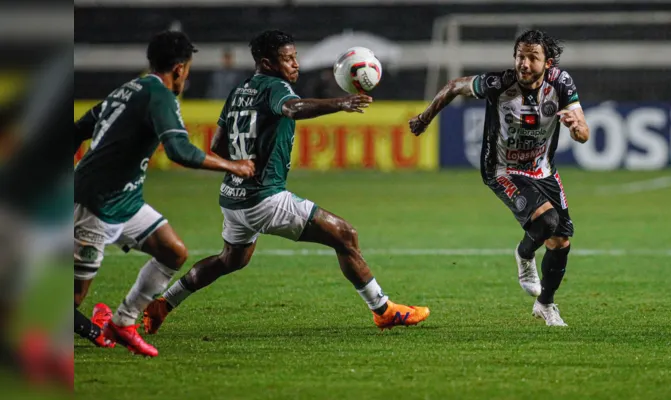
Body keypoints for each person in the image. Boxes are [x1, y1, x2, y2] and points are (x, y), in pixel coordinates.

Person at [143, 30, 430, 334]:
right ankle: (383, 310)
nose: (296, 64)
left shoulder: (240, 91)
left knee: (230, 260)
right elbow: (292, 108)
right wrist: (340, 104)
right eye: (288, 58)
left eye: (295, 57)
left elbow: (218, 144)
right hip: (264, 199)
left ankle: (164, 303)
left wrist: (248, 158)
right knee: (345, 235)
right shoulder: (275, 87)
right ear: (267, 62)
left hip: (232, 196)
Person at [73, 30, 255, 357]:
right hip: (94, 203)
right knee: (71, 300)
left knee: (173, 252)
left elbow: (77, 130)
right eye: (188, 68)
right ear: (180, 69)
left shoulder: (130, 88)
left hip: (123, 200)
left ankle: (123, 322)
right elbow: (179, 150)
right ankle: (86, 329)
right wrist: (234, 166)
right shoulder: (160, 95)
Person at [409, 30, 589, 326]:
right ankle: (524, 254)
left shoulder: (561, 83)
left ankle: (545, 305)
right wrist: (426, 117)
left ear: (548, 62)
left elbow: (584, 134)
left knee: (561, 241)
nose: (525, 64)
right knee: (546, 221)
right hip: (503, 169)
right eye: (521, 56)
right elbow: (455, 86)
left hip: (543, 169)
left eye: (533, 58)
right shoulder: (497, 84)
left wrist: (574, 126)